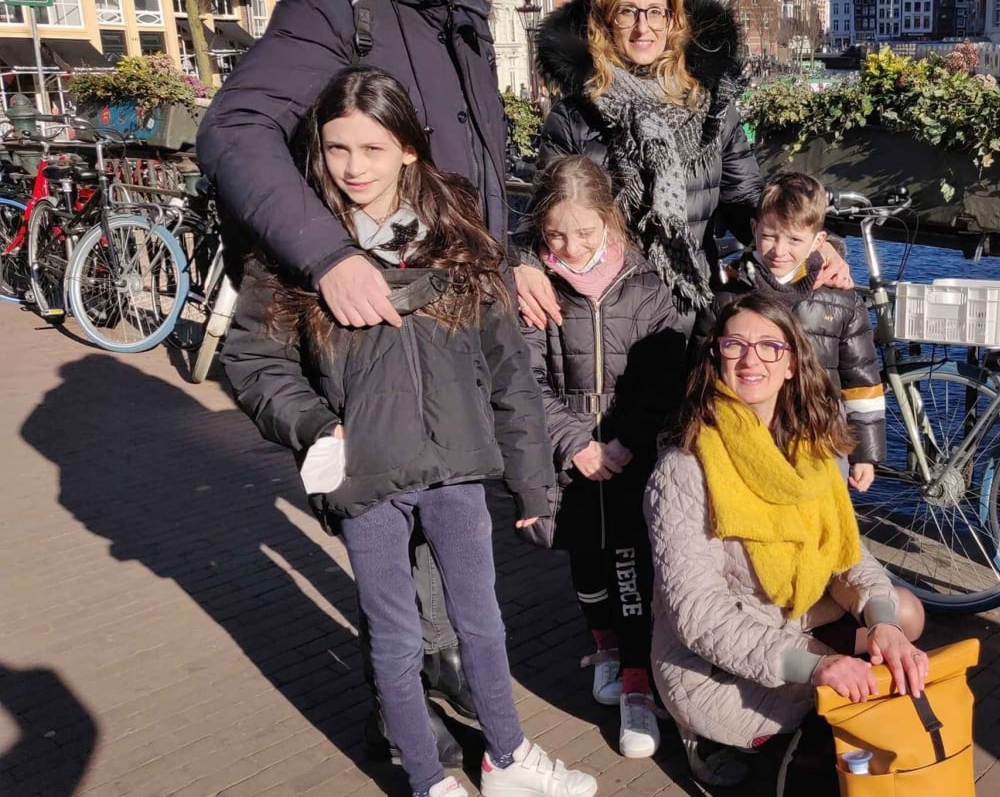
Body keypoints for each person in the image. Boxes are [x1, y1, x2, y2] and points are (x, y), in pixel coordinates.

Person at [197, 0, 513, 757]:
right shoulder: (342, 6)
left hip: (446, 323)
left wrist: (510, 256)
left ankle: (451, 707)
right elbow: (235, 129)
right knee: (395, 562)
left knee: (444, 549)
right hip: (368, 335)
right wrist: (329, 252)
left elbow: (473, 165)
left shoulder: (465, 12)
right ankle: (426, 750)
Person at [221, 69, 597, 797]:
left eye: (373, 147)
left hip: (455, 464)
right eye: (336, 149)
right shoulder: (296, 249)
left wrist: (531, 480)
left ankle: (510, 757)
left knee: (481, 624)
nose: (354, 167)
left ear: (408, 151)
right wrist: (318, 425)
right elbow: (252, 360)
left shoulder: (457, 240)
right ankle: (429, 778)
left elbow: (506, 367)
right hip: (365, 471)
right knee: (393, 636)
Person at [646, 294, 927, 786]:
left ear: (792, 363)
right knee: (841, 706)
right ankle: (701, 733)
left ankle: (824, 685)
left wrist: (881, 624)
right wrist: (817, 665)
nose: (751, 359)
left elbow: (847, 555)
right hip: (718, 660)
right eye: (735, 345)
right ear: (716, 358)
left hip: (795, 614)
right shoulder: (685, 468)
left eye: (768, 346)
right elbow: (698, 614)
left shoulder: (813, 448)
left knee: (902, 615)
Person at [515, 0, 852, 333]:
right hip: (604, 312)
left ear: (673, 20)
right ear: (606, 21)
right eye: (627, 12)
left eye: (655, 12)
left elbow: (744, 202)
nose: (643, 27)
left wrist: (813, 244)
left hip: (688, 309)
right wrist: (524, 262)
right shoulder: (575, 115)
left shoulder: (710, 108)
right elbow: (546, 209)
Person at [521, 155, 685, 761]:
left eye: (585, 233)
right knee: (585, 560)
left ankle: (638, 681)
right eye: (556, 236)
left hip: (627, 456)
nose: (571, 247)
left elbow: (664, 378)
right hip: (570, 458)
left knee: (629, 566)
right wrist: (575, 443)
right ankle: (606, 647)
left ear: (610, 222)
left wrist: (624, 442)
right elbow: (522, 380)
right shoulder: (536, 287)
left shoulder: (645, 285)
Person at [697, 171, 884, 493]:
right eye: (769, 236)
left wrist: (865, 453)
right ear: (754, 229)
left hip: (817, 438)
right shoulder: (725, 296)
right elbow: (701, 374)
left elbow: (861, 381)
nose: (779, 250)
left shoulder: (842, 301)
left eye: (795, 240)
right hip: (742, 438)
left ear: (818, 242)